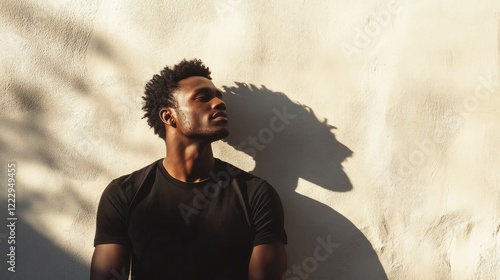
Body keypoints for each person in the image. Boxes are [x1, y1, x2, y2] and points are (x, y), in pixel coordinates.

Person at [90, 59, 287, 280]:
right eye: (203, 98)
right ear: (168, 116)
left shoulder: (256, 195)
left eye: (219, 98)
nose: (219, 103)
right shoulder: (124, 193)